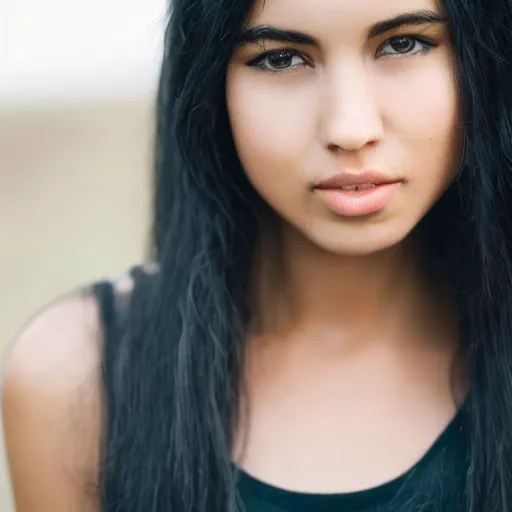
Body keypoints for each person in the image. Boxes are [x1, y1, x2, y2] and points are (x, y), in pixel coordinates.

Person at [3, 0, 512, 510]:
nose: (350, 127)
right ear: (208, 84)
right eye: (280, 58)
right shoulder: (77, 378)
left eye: (405, 44)